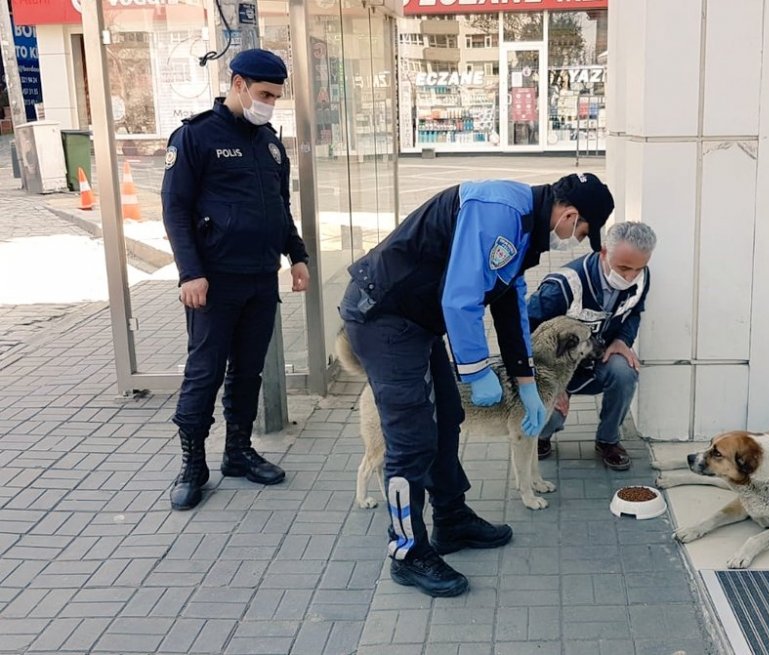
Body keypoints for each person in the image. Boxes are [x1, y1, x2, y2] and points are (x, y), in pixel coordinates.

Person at [340, 172, 614, 597]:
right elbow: (460, 297)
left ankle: (451, 521)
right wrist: (475, 370)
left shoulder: (525, 225)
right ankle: (407, 551)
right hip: (384, 316)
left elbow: (509, 304)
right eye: (581, 232)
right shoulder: (500, 211)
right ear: (571, 214)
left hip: (416, 320)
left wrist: (524, 378)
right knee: (411, 439)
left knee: (448, 417)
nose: (576, 240)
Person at [161, 49, 310, 511]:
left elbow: (279, 208)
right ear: (239, 83)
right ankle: (192, 465)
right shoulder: (196, 136)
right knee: (204, 374)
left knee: (248, 372)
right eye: (265, 93)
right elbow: (175, 210)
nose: (271, 103)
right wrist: (191, 272)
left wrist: (298, 255)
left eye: (277, 96)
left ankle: (238, 453)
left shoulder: (269, 143)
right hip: (214, 283)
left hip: (260, 279)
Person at [527, 221, 656, 471]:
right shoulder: (562, 286)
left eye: (638, 269)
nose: (630, 277)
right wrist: (548, 383)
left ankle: (608, 440)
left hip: (596, 358)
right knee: (548, 413)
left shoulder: (641, 277)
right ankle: (540, 435)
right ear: (603, 252)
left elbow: (634, 312)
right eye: (623, 268)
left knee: (625, 370)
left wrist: (622, 341)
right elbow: (524, 331)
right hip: (554, 366)